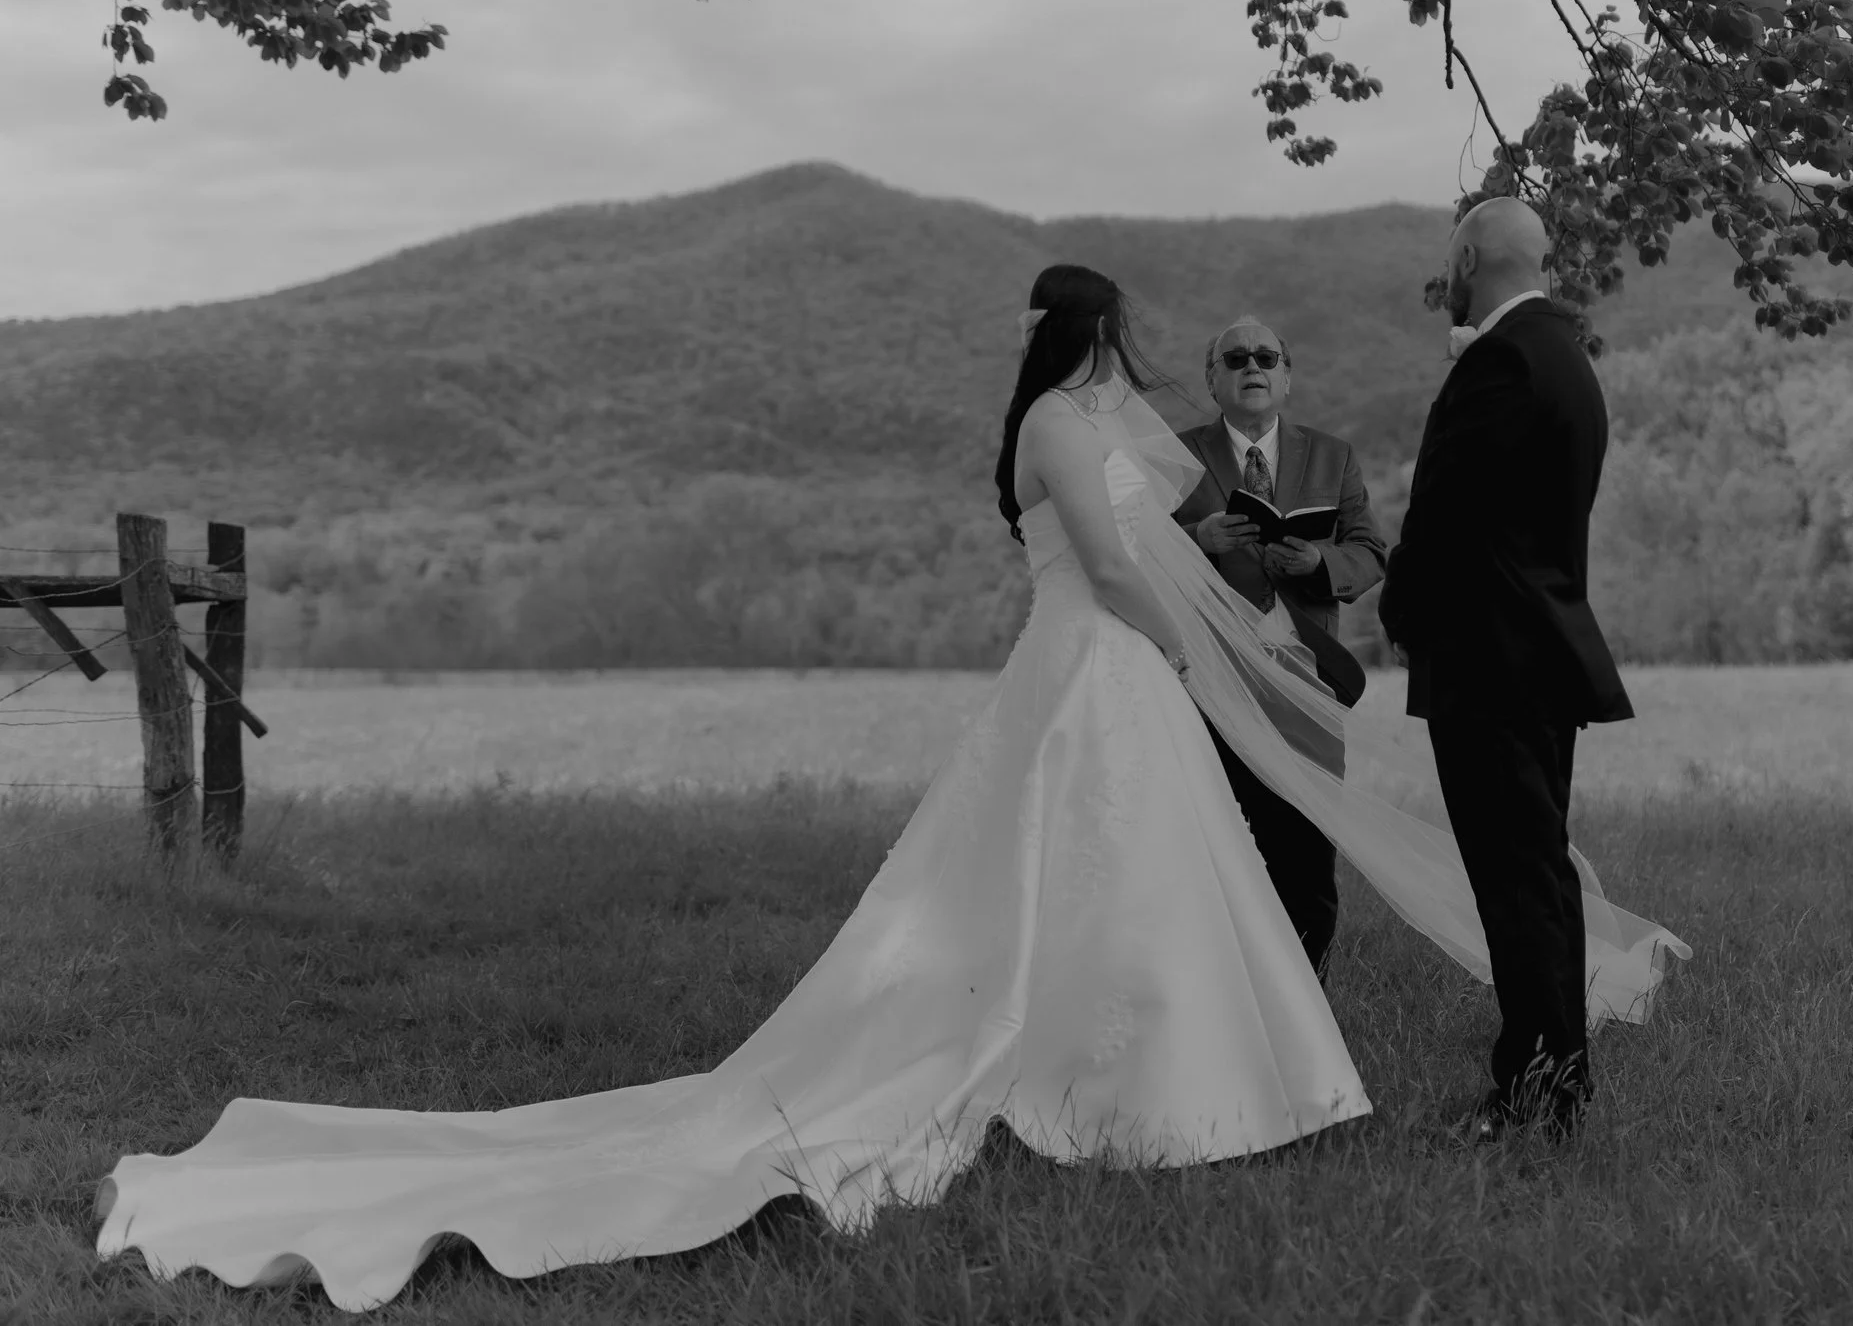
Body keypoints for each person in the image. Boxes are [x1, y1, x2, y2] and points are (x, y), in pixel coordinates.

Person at [97, 263, 1678, 1313]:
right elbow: (1126, 571)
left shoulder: (1105, 418)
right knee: (1080, 873)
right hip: (1091, 672)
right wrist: (1222, 660)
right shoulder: (1056, 427)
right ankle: (1109, 1082)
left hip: (1130, 669)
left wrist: (1259, 591)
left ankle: (1204, 1084)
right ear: (1088, 336)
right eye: (1119, 333)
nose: (1133, 357)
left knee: (1167, 883)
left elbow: (1201, 521)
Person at [1380, 196, 1632, 1144]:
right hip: (1540, 650)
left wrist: (1401, 610)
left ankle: (1535, 1090)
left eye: (1450, 262)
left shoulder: (1504, 360)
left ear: (1472, 256)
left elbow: (1444, 511)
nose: (1446, 277)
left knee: (1515, 880)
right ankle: (1556, 1075)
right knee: (1537, 873)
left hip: (1491, 657)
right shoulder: (1566, 357)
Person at [1171, 315, 1386, 978]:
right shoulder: (1175, 456)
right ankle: (1223, 993)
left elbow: (1369, 552)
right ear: (1213, 379)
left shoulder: (1334, 455)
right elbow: (1131, 547)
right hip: (1210, 685)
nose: (1252, 365)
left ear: (1288, 376)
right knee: (1216, 850)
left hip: (1307, 685)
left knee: (1305, 856)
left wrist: (1316, 562)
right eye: (1234, 357)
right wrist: (1196, 540)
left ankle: (1307, 1002)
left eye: (1267, 355)